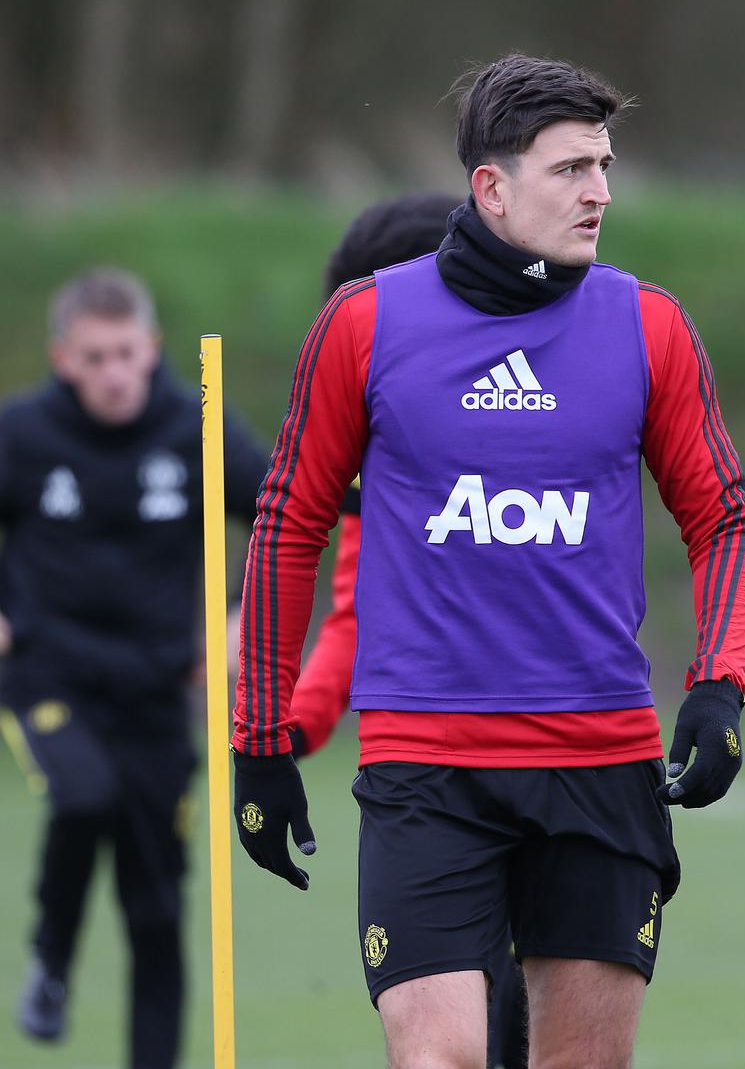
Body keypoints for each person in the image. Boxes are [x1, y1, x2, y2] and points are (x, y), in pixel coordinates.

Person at [232, 54, 745, 1068]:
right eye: (571, 169)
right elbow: (288, 526)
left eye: (604, 165)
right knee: (440, 1059)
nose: (601, 190)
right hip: (427, 768)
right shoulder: (365, 324)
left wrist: (719, 686)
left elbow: (724, 519)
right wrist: (260, 738)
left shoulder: (648, 325)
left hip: (601, 762)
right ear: (492, 186)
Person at [0, 268, 267, 1069]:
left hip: (159, 689)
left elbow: (283, 509)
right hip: (51, 674)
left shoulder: (198, 424)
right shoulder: (23, 432)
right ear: (62, 359)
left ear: (151, 348)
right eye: (93, 358)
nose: (113, 373)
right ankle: (50, 956)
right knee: (83, 797)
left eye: (126, 353)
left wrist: (238, 618)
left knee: (156, 908)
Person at [287, 192, 528, 1069]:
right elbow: (356, 606)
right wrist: (282, 728)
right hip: (434, 768)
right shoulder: (381, 448)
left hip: (565, 761)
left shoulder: (560, 405)